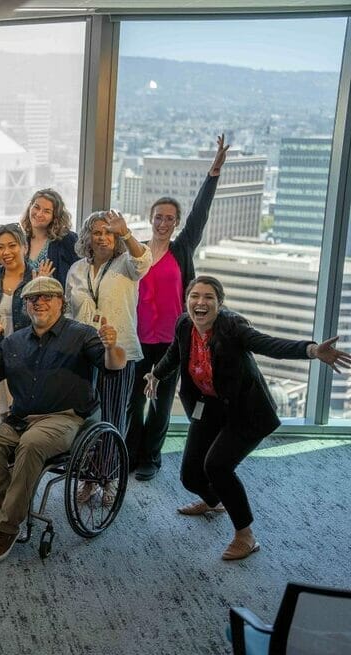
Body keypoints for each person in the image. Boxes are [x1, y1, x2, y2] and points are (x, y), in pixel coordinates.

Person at [144, 276, 350, 560]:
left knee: (217, 466)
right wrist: (155, 374)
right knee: (191, 476)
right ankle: (215, 501)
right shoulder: (184, 325)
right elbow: (174, 354)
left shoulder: (231, 327)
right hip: (210, 405)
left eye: (208, 297)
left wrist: (312, 350)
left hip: (246, 411)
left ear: (219, 303)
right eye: (195, 296)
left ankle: (246, 535)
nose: (200, 303)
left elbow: (269, 345)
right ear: (187, 300)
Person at [0, 276, 127, 564]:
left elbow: (113, 364)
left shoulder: (82, 334)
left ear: (61, 302)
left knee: (31, 445)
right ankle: (2, 508)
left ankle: (7, 527)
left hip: (66, 417)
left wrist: (110, 346)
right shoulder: (14, 340)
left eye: (48, 296)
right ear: (25, 306)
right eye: (33, 298)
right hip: (21, 418)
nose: (39, 302)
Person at [128, 135, 230, 481]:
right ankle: (129, 452)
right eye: (158, 217)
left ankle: (150, 458)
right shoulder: (136, 251)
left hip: (171, 342)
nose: (163, 222)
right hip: (137, 339)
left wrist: (212, 174)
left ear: (175, 222)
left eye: (170, 218)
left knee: (159, 403)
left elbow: (200, 214)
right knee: (133, 401)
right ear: (151, 218)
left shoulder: (182, 248)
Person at [65, 209, 151, 501]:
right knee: (85, 416)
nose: (102, 237)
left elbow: (142, 261)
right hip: (82, 352)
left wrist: (126, 232)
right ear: (87, 236)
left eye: (108, 232)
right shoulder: (76, 269)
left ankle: (109, 477)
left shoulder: (126, 263)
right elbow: (67, 309)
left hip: (118, 350)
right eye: (97, 232)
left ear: (116, 237)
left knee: (113, 416)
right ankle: (87, 478)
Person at [0, 224, 42, 449]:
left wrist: (40, 287)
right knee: (4, 411)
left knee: (25, 414)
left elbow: (50, 319)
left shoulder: (38, 275)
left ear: (24, 246)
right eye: (0, 247)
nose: (6, 252)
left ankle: (23, 459)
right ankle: (8, 456)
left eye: (12, 245)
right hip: (0, 353)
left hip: (30, 354)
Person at [17, 188, 76, 288]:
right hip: (22, 301)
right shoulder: (19, 239)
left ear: (55, 216)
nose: (39, 214)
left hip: (55, 300)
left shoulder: (67, 240)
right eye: (36, 207)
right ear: (30, 207)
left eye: (47, 211)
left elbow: (78, 277)